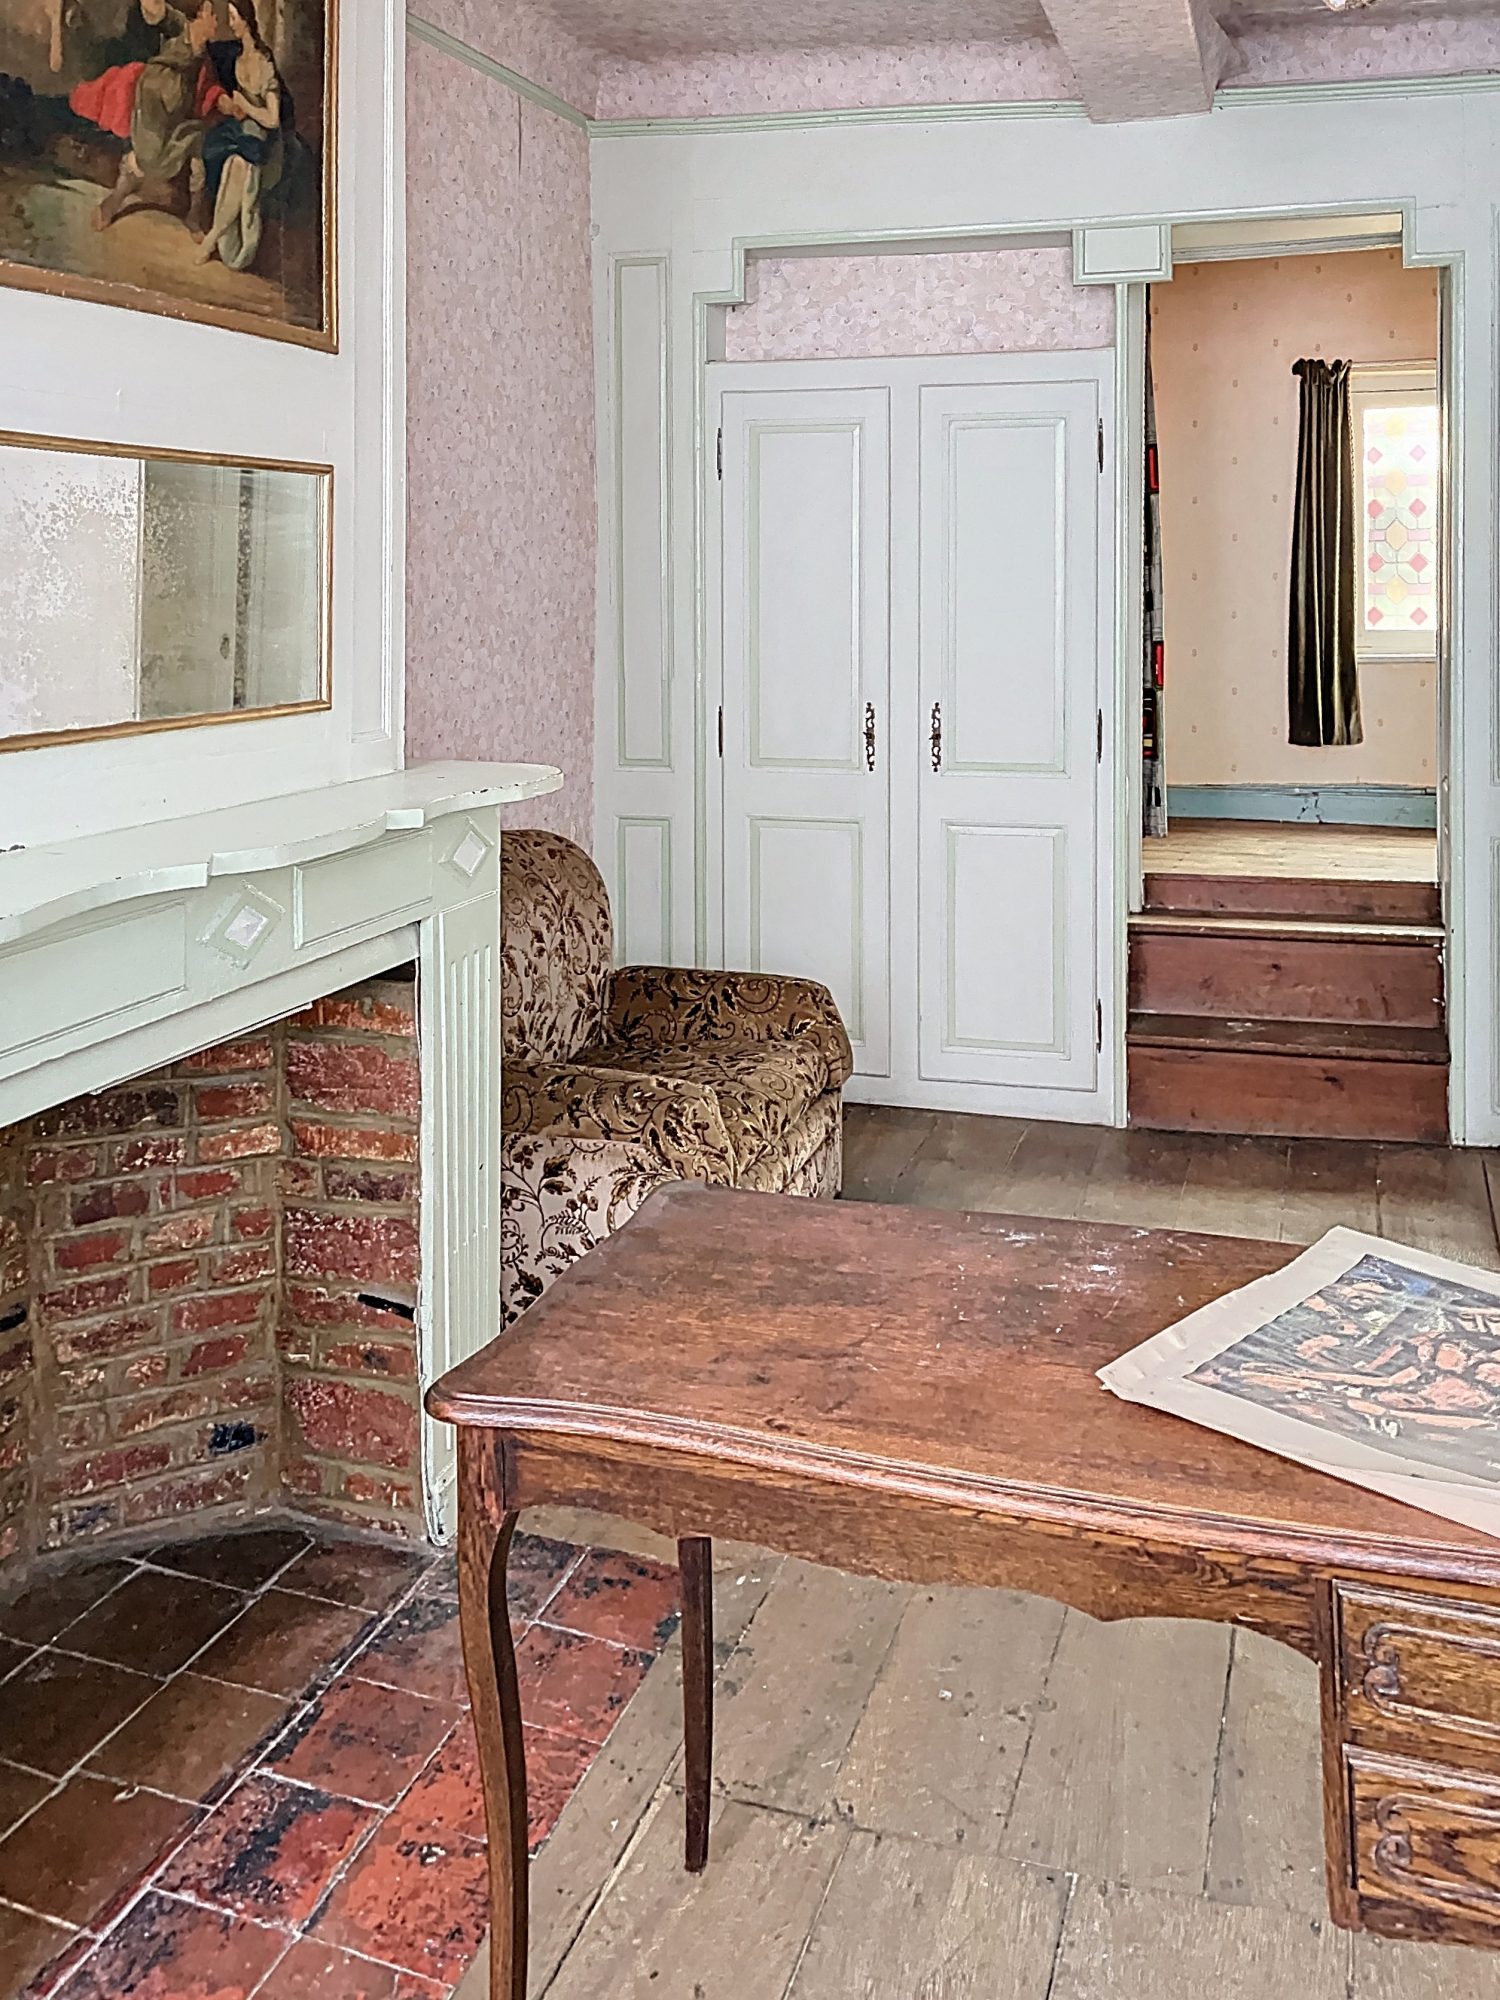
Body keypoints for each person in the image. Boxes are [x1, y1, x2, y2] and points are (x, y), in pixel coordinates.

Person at [90, 0, 221, 235]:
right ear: (203, 12)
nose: (218, 25)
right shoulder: (180, 26)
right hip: (154, 99)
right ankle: (114, 200)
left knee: (196, 147)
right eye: (215, 17)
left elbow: (208, 84)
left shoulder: (205, 54)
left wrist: (222, 100)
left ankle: (194, 216)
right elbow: (160, 12)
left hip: (180, 110)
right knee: (147, 158)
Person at [196, 0, 284, 271]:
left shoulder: (263, 62)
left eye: (235, 18)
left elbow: (272, 119)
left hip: (260, 135)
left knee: (238, 163)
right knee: (221, 155)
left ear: (247, 20)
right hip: (237, 130)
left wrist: (245, 106)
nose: (231, 23)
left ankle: (213, 237)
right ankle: (215, 235)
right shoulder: (234, 55)